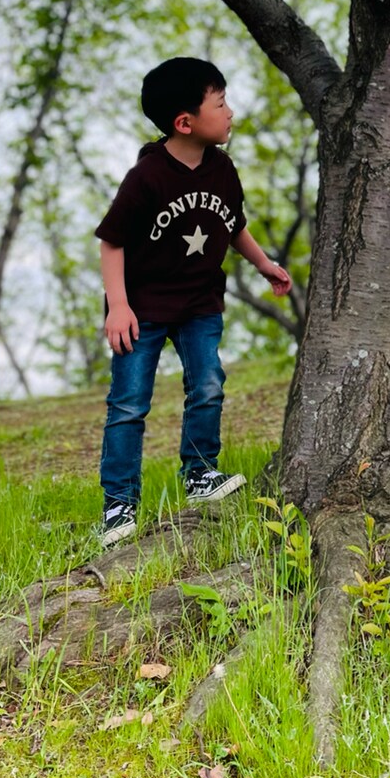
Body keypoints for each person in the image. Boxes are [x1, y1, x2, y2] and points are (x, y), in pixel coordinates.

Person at [95, 56, 291, 549]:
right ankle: (119, 503)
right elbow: (112, 241)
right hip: (140, 310)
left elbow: (233, 224)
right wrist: (118, 306)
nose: (230, 113)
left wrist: (263, 263)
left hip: (200, 304)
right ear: (185, 122)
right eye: (220, 104)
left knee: (207, 386)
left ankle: (200, 473)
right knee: (128, 405)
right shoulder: (147, 178)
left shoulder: (223, 169)